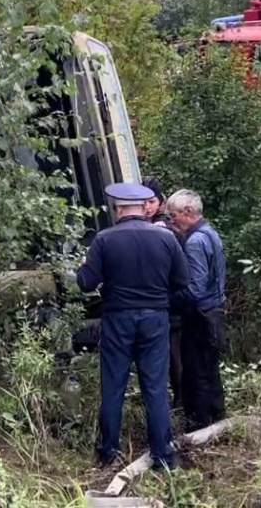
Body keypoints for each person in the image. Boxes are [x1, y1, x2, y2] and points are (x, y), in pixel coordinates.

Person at [76, 182, 190, 470]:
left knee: (113, 386)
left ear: (118, 208)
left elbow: (86, 284)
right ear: (143, 208)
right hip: (155, 319)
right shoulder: (166, 239)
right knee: (155, 388)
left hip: (117, 320)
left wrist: (83, 267)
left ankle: (108, 454)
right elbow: (183, 282)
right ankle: (163, 455)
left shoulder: (104, 239)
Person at [165, 188, 228, 431]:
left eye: (173, 216)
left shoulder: (195, 241)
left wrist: (167, 299)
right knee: (210, 369)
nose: (172, 222)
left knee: (196, 371)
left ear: (188, 212)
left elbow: (195, 288)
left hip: (200, 315)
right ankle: (216, 417)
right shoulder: (211, 233)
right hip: (214, 311)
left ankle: (200, 424)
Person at [143, 175, 183, 410]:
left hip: (170, 300)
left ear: (161, 201)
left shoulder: (166, 227)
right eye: (144, 203)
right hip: (160, 299)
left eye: (151, 202)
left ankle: (179, 399)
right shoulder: (149, 226)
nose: (148, 207)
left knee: (173, 352)